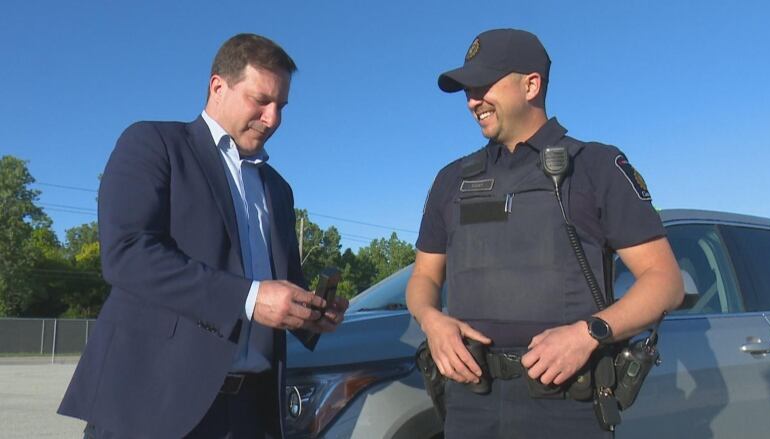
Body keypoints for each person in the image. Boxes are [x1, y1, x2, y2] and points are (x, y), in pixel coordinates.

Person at [58, 33, 348, 439]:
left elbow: (279, 289)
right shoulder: (154, 144)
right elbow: (127, 254)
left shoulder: (278, 188)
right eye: (261, 100)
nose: (273, 118)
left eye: (281, 106)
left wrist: (312, 315)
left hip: (251, 412)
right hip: (154, 404)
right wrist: (249, 298)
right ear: (218, 87)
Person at [406, 28, 684, 438]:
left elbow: (665, 282)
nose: (471, 101)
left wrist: (588, 334)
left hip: (566, 402)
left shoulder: (595, 166)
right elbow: (424, 277)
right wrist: (431, 320)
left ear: (531, 84)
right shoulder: (451, 181)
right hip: (469, 400)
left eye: (483, 85)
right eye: (467, 90)